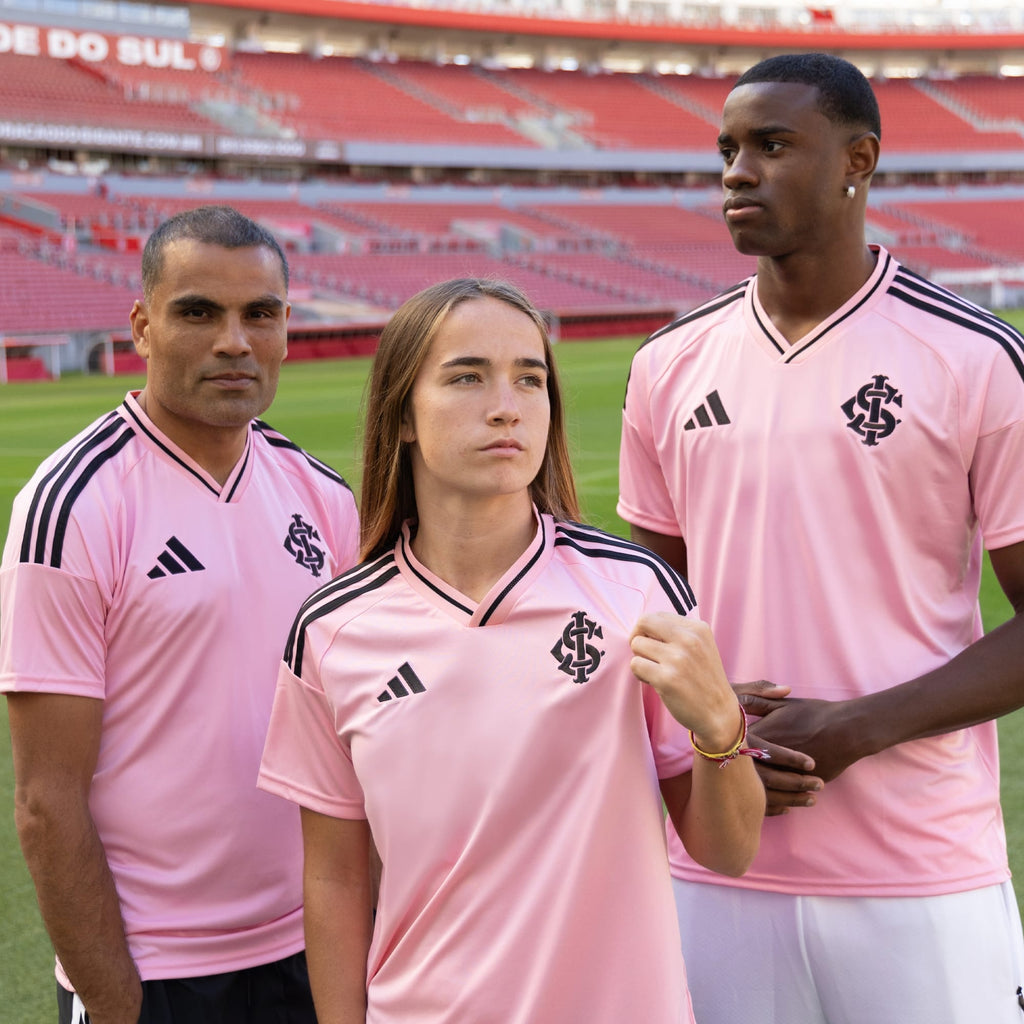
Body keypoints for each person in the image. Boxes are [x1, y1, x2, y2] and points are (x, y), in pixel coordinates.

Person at [618, 52, 1024, 1024]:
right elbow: (651, 618)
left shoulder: (972, 359)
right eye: (725, 150)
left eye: (770, 145)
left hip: (919, 873)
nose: (736, 171)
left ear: (858, 160)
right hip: (718, 864)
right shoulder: (667, 366)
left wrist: (853, 729)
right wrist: (706, 741)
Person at [256, 277, 766, 1024]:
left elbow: (728, 850)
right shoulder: (331, 631)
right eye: (467, 377)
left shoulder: (634, 592)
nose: (507, 405)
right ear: (401, 413)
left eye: (530, 379)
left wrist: (722, 729)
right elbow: (335, 880)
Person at [0, 205, 360, 1024]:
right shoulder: (75, 504)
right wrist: (116, 1003)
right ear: (143, 326)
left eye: (258, 314)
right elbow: (46, 799)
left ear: (285, 329)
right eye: (199, 312)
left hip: (315, 941)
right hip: (159, 967)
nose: (234, 341)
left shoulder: (323, 496)